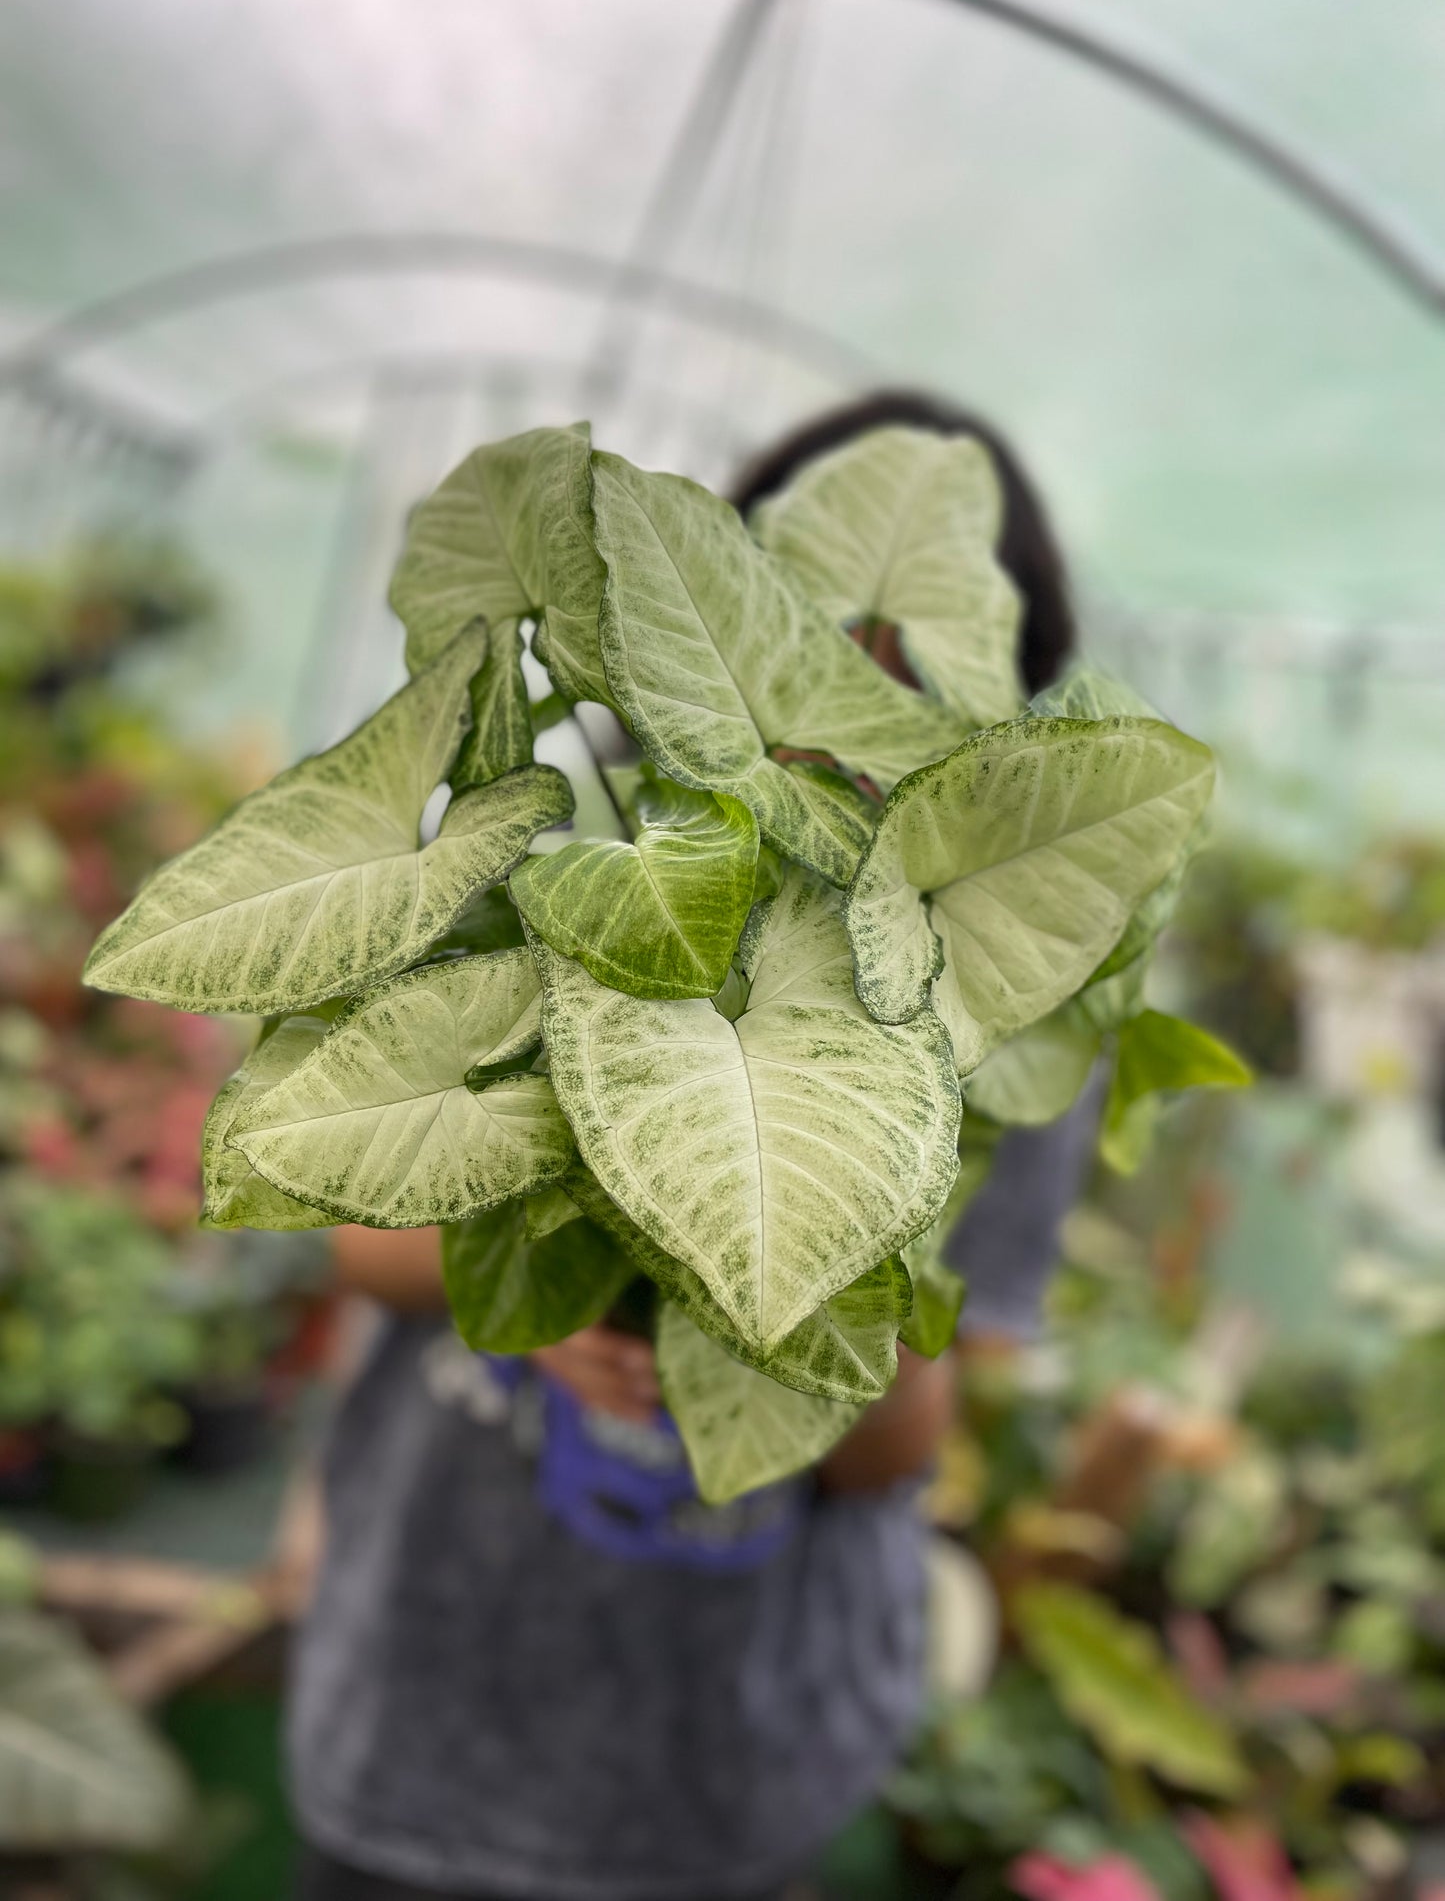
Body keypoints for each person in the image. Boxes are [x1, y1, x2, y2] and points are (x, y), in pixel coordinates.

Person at [289, 393, 1098, 1901]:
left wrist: (774, 1308)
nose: (850, 694)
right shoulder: (543, 834)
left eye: (913, 662)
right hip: (429, 1695)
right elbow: (355, 1229)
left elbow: (906, 1443)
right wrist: (542, 1299)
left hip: (721, 1759)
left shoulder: (1013, 981)